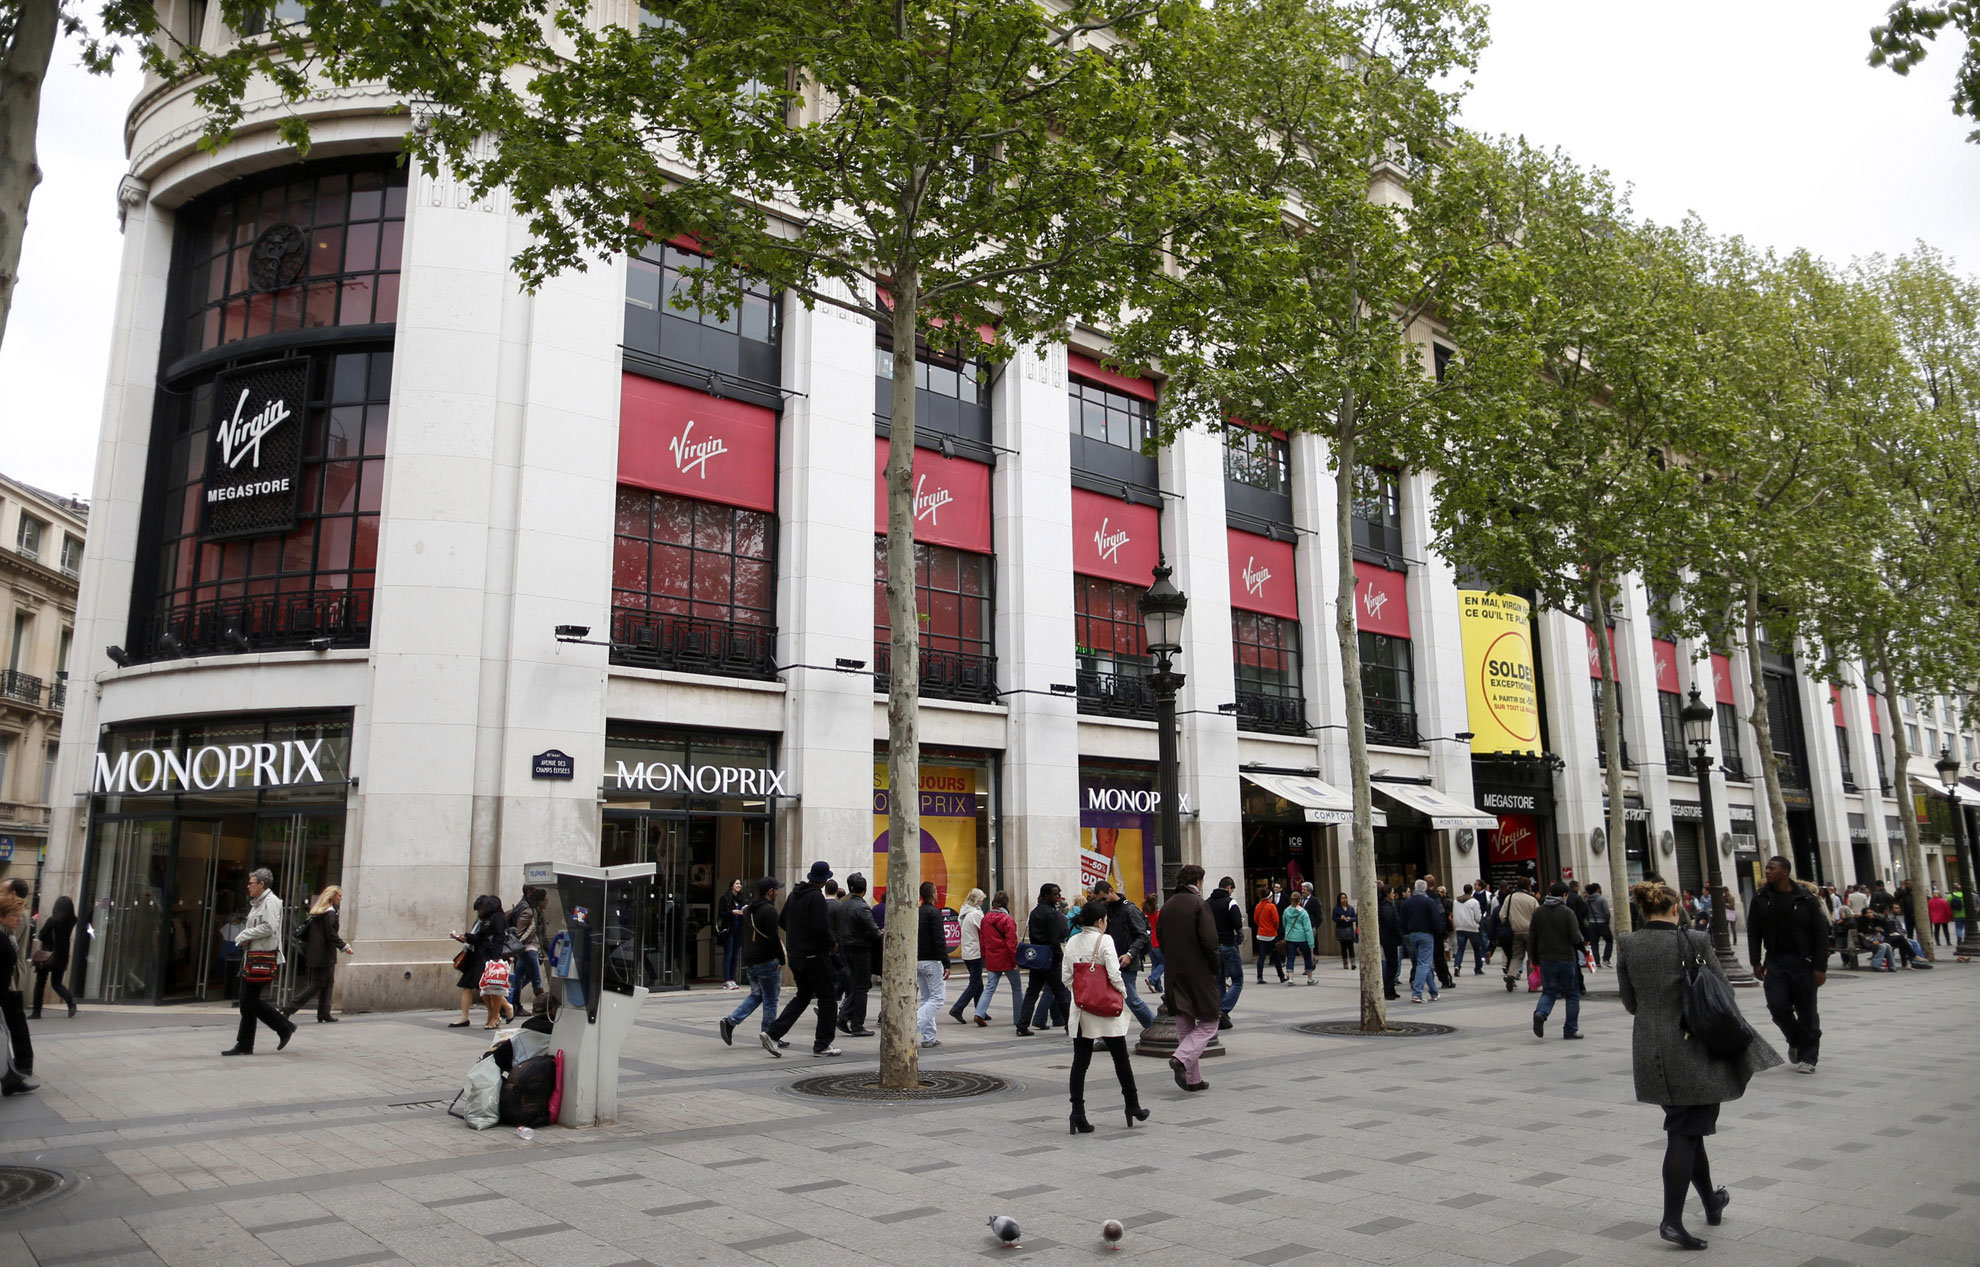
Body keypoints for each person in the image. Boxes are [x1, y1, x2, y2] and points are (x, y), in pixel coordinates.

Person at [1617, 880, 1782, 1251]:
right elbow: (1724, 991)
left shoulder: (1627, 943)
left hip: (1650, 1049)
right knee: (1684, 1131)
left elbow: (1630, 1002)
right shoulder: (1695, 940)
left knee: (1688, 1127)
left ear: (1643, 910)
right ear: (1676, 909)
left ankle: (1710, 1200)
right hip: (1693, 1049)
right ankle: (1671, 1221)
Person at [1062, 899, 1147, 1132]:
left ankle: (1077, 1112)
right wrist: (1121, 991)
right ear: (1100, 921)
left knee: (1080, 1063)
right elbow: (1113, 973)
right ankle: (1132, 1105)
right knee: (1121, 1059)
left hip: (1081, 1010)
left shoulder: (1072, 942)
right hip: (1106, 1011)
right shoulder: (1105, 940)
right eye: (1106, 920)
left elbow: (1066, 978)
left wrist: (1082, 989)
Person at [1747, 855, 1830, 1075]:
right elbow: (1753, 931)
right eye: (1766, 868)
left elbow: (1821, 935)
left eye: (1772, 868)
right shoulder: (1761, 899)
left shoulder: (1806, 900)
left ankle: (1808, 1057)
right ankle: (1795, 1040)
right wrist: (1755, 961)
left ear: (1785, 871)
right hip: (1775, 961)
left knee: (1807, 1012)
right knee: (1777, 1006)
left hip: (1804, 963)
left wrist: (1820, 966)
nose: (1767, 871)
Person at [765, 861, 841, 1057]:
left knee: (803, 995)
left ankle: (773, 1033)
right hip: (815, 955)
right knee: (828, 999)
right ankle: (822, 1044)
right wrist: (832, 944)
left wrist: (798, 936)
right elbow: (821, 928)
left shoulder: (794, 894)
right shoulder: (816, 897)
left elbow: (782, 921)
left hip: (796, 955)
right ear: (824, 880)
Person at [224, 868, 298, 1056]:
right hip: (253, 955)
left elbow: (269, 927)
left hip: (263, 957)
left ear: (261, 884)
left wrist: (244, 934)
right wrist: (248, 939)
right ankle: (245, 1044)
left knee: (250, 1001)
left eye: (251, 883)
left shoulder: (271, 902)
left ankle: (283, 1026)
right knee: (246, 1001)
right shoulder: (258, 903)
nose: (248, 886)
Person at [1159, 865, 1219, 1093]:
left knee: (1184, 1023)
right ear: (1198, 881)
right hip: (1198, 972)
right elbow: (1210, 941)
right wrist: (1214, 968)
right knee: (1210, 1022)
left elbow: (1161, 939)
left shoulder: (1167, 906)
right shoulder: (1198, 904)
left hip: (1174, 971)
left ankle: (1193, 1079)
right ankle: (1181, 1059)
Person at [720, 877, 786, 1050]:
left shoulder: (749, 909)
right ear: (769, 892)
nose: (778, 892)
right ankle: (770, 1035)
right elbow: (773, 938)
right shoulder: (769, 911)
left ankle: (730, 1021)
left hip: (751, 960)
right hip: (767, 961)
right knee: (771, 999)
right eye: (776, 889)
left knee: (757, 995)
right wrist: (782, 959)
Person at [283, 885, 354, 1023]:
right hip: (324, 954)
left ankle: (324, 1013)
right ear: (332, 897)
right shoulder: (330, 913)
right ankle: (290, 1008)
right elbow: (331, 935)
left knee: (328, 983)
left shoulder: (319, 912)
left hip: (319, 953)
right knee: (317, 984)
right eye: (339, 896)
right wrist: (345, 947)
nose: (341, 899)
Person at [1092, 881, 1156, 1027]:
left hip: (1125, 960)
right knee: (1107, 999)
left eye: (1104, 898)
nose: (1103, 902)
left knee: (1131, 998)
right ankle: (1105, 1036)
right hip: (1110, 959)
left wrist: (1130, 954)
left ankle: (1152, 1025)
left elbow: (1142, 935)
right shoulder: (1107, 910)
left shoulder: (1129, 909)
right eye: (1100, 900)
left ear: (1111, 891)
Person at [1530, 882, 1586, 1039]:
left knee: (1549, 992)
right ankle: (1570, 1029)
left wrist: (1534, 958)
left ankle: (1541, 1013)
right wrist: (1583, 948)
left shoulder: (1538, 912)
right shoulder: (1568, 912)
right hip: (1567, 959)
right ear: (1564, 895)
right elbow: (1575, 937)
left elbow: (1532, 937)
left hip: (1546, 959)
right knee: (1572, 995)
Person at [1017, 883, 1071, 1036]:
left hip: (1037, 956)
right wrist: (1059, 957)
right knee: (1060, 992)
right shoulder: (1052, 914)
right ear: (1046, 895)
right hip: (1050, 957)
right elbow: (1055, 938)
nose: (1058, 897)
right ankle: (1070, 1025)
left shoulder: (1035, 912)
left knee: (1032, 991)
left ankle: (1022, 1025)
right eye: (1055, 894)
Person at [832, 873, 880, 1037]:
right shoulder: (862, 907)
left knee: (856, 985)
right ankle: (857, 1024)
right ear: (864, 890)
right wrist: (881, 933)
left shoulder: (843, 905)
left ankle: (844, 1015)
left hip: (845, 948)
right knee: (861, 988)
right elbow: (874, 931)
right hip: (860, 950)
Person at [448, 895, 506, 1028]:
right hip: (481, 955)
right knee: (483, 987)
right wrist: (465, 937)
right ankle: (493, 1016)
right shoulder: (485, 919)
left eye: (480, 909)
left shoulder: (497, 918)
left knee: (491, 988)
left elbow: (499, 938)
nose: (479, 912)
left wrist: (495, 959)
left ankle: (497, 1015)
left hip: (490, 957)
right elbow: (480, 937)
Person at [974, 891, 1023, 1026]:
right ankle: (1019, 1018)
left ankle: (979, 1012)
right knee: (1016, 987)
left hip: (992, 957)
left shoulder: (985, 919)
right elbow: (1011, 943)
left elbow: (982, 940)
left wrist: (984, 956)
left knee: (990, 986)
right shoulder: (1007, 920)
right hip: (1006, 958)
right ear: (1006, 903)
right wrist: (1015, 960)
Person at [0, 891, 32, 1095]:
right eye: (14, 915)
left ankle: (12, 1077)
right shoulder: (3, 937)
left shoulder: (8, 935)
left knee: (4, 1035)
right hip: (4, 990)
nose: (19, 920)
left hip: (7, 989)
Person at [915, 882, 950, 1048]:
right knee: (937, 998)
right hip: (931, 960)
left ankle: (928, 1037)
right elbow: (939, 939)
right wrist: (946, 962)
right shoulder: (934, 913)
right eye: (936, 891)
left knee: (927, 997)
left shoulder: (917, 912)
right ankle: (913, 1024)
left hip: (918, 959)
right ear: (932, 894)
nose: (937, 894)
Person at [1398, 880, 1445, 1004]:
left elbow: (1402, 919)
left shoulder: (1407, 902)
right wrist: (1438, 931)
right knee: (1424, 963)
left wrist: (1405, 932)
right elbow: (1436, 919)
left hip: (1412, 934)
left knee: (1423, 962)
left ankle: (1434, 992)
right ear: (1425, 889)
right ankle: (1417, 993)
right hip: (1426, 934)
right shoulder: (1429, 902)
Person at [31, 895, 77, 1019]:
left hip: (47, 955)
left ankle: (37, 1012)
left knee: (40, 983)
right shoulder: (71, 921)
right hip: (62, 956)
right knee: (56, 983)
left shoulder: (52, 921)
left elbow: (41, 935)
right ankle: (70, 1002)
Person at [505, 885, 549, 1015]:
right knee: (536, 979)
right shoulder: (528, 910)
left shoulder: (532, 910)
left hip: (526, 949)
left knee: (518, 979)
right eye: (545, 900)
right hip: (528, 949)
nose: (547, 902)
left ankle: (510, 1004)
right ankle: (541, 1009)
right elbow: (521, 933)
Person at [1208, 877, 1244, 1027]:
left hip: (1213, 947)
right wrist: (1241, 934)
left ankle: (1221, 1015)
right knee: (1237, 980)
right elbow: (1237, 923)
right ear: (1229, 887)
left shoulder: (1207, 903)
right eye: (1232, 890)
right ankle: (1223, 1010)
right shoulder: (1230, 902)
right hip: (1228, 945)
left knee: (1219, 982)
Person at [948, 888, 986, 1025]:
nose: (982, 902)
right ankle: (958, 1008)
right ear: (977, 900)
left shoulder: (964, 912)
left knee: (978, 983)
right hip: (975, 951)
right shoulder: (975, 914)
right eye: (981, 900)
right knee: (975, 983)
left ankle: (980, 1010)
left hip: (967, 951)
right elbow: (985, 928)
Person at [1500, 879, 1540, 992]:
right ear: (1528, 886)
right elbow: (1538, 916)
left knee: (1516, 956)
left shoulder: (1510, 898)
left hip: (1515, 932)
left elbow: (1502, 915)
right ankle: (1533, 985)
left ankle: (1511, 975)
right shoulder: (1531, 899)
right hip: (1530, 932)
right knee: (1532, 958)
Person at [718, 878, 750, 990]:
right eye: (737, 883)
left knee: (735, 956)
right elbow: (721, 913)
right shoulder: (725, 899)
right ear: (732, 886)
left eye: (740, 883)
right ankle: (727, 980)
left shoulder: (741, 899)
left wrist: (744, 911)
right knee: (728, 955)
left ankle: (732, 979)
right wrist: (732, 912)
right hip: (729, 930)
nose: (739, 885)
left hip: (738, 930)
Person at [1251, 886, 1285, 984]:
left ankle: (1259, 977)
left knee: (1261, 957)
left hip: (1261, 934)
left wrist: (1262, 925)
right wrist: (1275, 928)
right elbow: (1276, 921)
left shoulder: (1258, 906)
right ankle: (1281, 976)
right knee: (1276, 956)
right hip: (1271, 934)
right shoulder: (1271, 906)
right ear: (1269, 897)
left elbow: (1255, 920)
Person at [1280, 891, 1315, 985]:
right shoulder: (1303, 912)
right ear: (1300, 901)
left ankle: (1291, 978)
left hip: (1290, 938)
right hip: (1302, 938)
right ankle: (1310, 978)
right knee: (1307, 957)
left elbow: (1284, 923)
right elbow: (1308, 929)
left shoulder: (1286, 911)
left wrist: (1287, 932)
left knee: (1290, 957)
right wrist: (1311, 942)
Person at [1377, 886, 1404, 1001]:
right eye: (1392, 893)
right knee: (1392, 965)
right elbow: (1390, 923)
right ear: (1387, 894)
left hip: (1390, 938)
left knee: (1393, 964)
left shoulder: (1389, 905)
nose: (1394, 894)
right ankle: (1388, 990)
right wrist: (1398, 934)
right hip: (1389, 939)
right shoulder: (1386, 907)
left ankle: (1391, 989)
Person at [1452, 885, 1485, 975]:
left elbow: (1454, 913)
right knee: (1476, 949)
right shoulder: (1474, 902)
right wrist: (1478, 921)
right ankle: (1478, 968)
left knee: (1461, 948)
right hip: (1472, 928)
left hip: (1460, 927)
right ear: (1471, 891)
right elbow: (1478, 916)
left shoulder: (1456, 901)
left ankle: (1457, 966)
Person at [1585, 882, 1614, 967]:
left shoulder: (1587, 900)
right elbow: (1607, 913)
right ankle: (1606, 958)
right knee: (1609, 940)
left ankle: (1596, 961)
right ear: (1597, 889)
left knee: (1594, 943)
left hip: (1592, 923)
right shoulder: (1602, 899)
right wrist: (1607, 922)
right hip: (1602, 922)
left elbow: (1586, 912)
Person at [1330, 892, 1359, 971]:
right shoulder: (1336, 909)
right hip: (1341, 929)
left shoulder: (1350, 908)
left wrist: (1350, 919)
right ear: (1339, 900)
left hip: (1349, 928)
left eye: (1345, 898)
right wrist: (1340, 918)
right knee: (1343, 947)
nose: (1344, 900)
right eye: (1342, 898)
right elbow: (1334, 918)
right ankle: (1345, 963)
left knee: (1351, 947)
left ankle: (1353, 963)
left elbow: (1355, 918)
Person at [1143, 894, 1164, 992]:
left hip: (1149, 941)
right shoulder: (1158, 914)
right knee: (1164, 963)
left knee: (1155, 963)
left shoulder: (1145, 914)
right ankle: (1152, 979)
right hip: (1157, 941)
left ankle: (1158, 986)